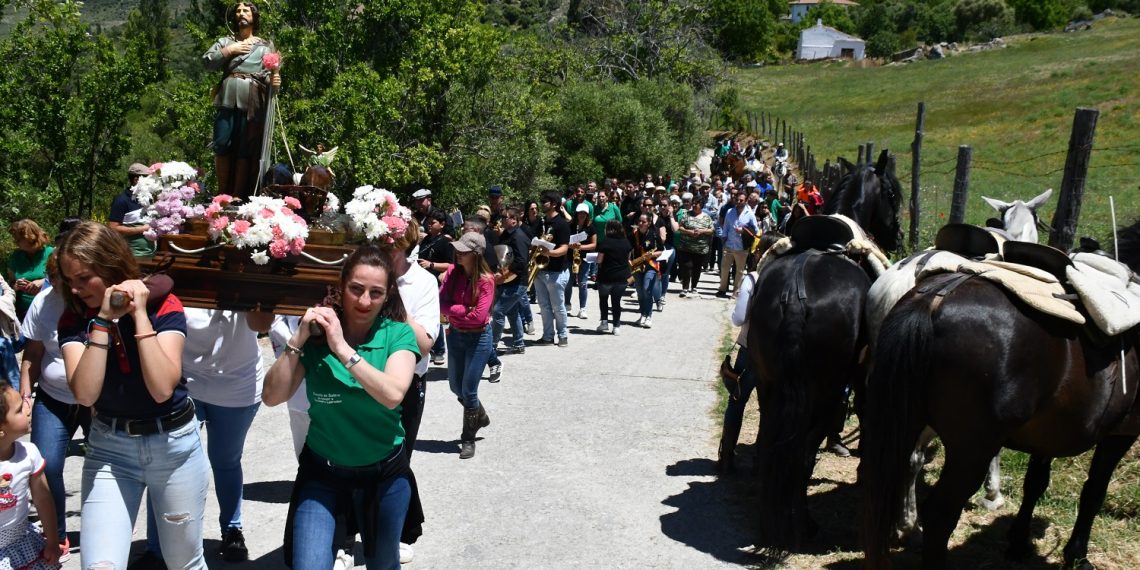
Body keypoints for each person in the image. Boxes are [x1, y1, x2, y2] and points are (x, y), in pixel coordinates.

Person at [57, 222, 208, 569]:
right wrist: (103, 321)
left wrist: (139, 315)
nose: (76, 290)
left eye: (84, 278)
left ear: (110, 268)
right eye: (70, 281)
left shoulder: (164, 306)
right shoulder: (75, 318)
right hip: (111, 449)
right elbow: (84, 393)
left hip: (174, 448)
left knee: (184, 562)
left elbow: (161, 388)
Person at [263, 245, 421, 569]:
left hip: (384, 476)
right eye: (356, 289)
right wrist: (299, 338)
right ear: (341, 285)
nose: (364, 301)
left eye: (376, 293)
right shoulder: (317, 337)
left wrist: (342, 348)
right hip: (323, 473)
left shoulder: (398, 334)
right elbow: (272, 396)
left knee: (383, 564)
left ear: (388, 293)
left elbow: (392, 393)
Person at [135, 308, 273, 565]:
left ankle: (232, 529)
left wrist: (254, 290)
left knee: (226, 461)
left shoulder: (244, 272)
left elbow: (261, 323)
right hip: (185, 381)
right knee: (170, 463)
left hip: (237, 384)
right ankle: (156, 547)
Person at [19, 251, 88, 564]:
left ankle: (104, 524)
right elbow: (32, 354)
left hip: (97, 400)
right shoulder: (44, 302)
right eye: (60, 281)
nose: (68, 288)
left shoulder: (94, 299)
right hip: (53, 397)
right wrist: (25, 395)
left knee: (107, 467)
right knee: (48, 467)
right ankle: (56, 536)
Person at [202, 1, 282, 198]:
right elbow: (208, 62)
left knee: (244, 146)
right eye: (238, 11)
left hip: (252, 100)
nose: (241, 13)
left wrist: (275, 81)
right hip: (227, 95)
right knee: (222, 142)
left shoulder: (264, 46)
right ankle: (222, 192)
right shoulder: (225, 42)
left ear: (254, 16)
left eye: (246, 10)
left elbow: (267, 76)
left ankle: (239, 194)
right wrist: (231, 50)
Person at [439, 233, 495, 458]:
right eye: (458, 249)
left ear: (476, 253)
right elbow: (441, 303)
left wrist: (455, 311)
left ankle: (468, 439)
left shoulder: (486, 280)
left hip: (479, 338)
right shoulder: (453, 272)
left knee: (469, 390)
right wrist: (464, 311)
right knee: (455, 387)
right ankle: (478, 414)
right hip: (455, 335)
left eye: (464, 250)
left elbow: (480, 317)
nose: (459, 253)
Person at [0, 381, 62, 569]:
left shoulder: (28, 453)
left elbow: (43, 498)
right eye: (19, 410)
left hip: (20, 541)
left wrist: (52, 541)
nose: (28, 409)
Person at [488, 206, 530, 361]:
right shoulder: (506, 233)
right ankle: (519, 343)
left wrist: (503, 274)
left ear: (514, 220)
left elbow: (521, 262)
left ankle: (492, 345)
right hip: (508, 281)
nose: (502, 220)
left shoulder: (519, 237)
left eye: (505, 217)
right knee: (512, 312)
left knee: (498, 311)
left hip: (517, 282)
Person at [533, 191, 571, 346]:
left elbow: (564, 249)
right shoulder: (541, 223)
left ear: (554, 204)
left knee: (558, 306)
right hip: (540, 270)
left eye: (545, 201)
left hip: (556, 271)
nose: (542, 204)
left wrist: (548, 252)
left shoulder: (562, 224)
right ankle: (548, 336)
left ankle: (563, 335)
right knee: (544, 306)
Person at [416, 209, 454, 366]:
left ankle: (439, 350)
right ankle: (428, 346)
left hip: (437, 282)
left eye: (433, 223)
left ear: (442, 224)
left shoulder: (445, 243)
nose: (429, 225)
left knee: (435, 316)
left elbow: (451, 265)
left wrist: (431, 264)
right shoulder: (425, 241)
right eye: (428, 222)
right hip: (423, 282)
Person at [7, 220, 54, 321]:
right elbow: (9, 283)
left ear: (30, 237)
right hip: (22, 312)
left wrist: (42, 282)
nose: (16, 241)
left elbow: (62, 279)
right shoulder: (16, 256)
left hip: (47, 309)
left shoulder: (50, 253)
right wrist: (16, 286)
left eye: (19, 239)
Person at [109, 164, 157, 258]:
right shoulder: (121, 200)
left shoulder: (150, 198)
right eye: (148, 178)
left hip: (153, 255)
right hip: (132, 257)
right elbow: (113, 228)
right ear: (137, 179)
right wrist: (142, 229)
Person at [593, 221, 632, 335]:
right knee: (616, 301)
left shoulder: (605, 242)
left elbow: (599, 260)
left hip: (607, 276)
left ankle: (604, 322)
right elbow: (627, 259)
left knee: (603, 299)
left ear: (609, 229)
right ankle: (616, 326)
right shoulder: (626, 242)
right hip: (622, 277)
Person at [718, 192, 758, 298]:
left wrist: (743, 231)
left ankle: (736, 291)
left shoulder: (749, 214)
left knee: (739, 271)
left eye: (741, 200)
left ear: (745, 201)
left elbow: (756, 230)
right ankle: (722, 289)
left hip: (741, 246)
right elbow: (725, 226)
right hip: (729, 244)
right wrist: (724, 238)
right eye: (738, 200)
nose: (739, 202)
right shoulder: (730, 211)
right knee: (724, 268)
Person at [675, 194, 714, 298]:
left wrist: (702, 231)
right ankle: (685, 288)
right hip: (686, 247)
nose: (694, 205)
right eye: (693, 203)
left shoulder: (707, 217)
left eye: (696, 203)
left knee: (697, 268)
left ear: (701, 205)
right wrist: (689, 232)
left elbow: (711, 230)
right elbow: (680, 227)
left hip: (700, 249)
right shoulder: (686, 215)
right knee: (687, 267)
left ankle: (694, 287)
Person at [630, 213, 663, 329]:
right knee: (640, 292)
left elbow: (661, 251)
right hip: (637, 266)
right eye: (639, 221)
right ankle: (643, 314)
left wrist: (651, 255)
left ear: (649, 223)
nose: (640, 223)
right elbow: (628, 248)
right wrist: (628, 260)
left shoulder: (654, 235)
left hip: (650, 266)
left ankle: (649, 316)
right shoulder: (634, 234)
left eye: (643, 222)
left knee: (647, 289)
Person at [565, 203, 597, 319]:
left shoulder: (591, 227)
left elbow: (594, 245)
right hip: (570, 258)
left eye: (584, 213)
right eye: (580, 213)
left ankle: (582, 308)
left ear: (587, 214)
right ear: (577, 213)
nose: (582, 215)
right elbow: (563, 242)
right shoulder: (570, 225)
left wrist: (580, 247)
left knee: (583, 283)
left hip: (583, 258)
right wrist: (571, 245)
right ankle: (567, 304)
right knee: (568, 283)